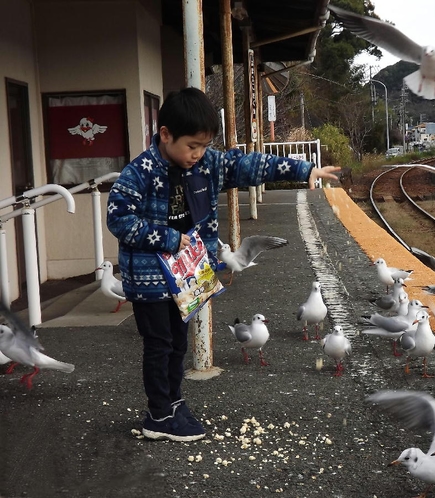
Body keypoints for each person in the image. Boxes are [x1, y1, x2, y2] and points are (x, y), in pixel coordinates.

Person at [106, 87, 339, 442]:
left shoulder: (207, 164)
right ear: (165, 134)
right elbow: (118, 218)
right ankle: (157, 415)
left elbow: (252, 165)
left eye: (203, 146)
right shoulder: (139, 172)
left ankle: (173, 402)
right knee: (159, 344)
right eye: (192, 146)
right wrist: (168, 237)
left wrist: (304, 167)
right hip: (150, 281)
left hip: (189, 279)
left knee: (179, 344)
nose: (197, 155)